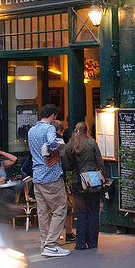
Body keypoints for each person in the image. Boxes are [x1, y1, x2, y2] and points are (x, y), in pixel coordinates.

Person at [27, 104, 69, 257]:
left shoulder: (32, 130)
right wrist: (57, 154)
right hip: (50, 174)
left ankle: (45, 243)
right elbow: (52, 142)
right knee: (60, 208)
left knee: (43, 211)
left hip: (37, 175)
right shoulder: (50, 128)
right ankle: (51, 244)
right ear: (53, 116)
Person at [61, 122, 109, 250]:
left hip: (77, 182)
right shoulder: (92, 143)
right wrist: (103, 177)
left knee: (80, 213)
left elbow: (66, 166)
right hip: (93, 181)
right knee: (93, 211)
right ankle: (92, 242)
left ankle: (80, 243)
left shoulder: (69, 146)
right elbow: (100, 162)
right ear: (86, 130)